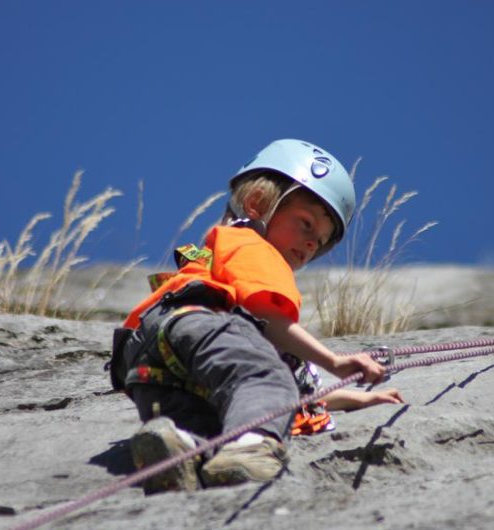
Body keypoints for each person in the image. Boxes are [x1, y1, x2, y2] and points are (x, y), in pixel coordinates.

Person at [110, 139, 404, 494]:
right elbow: (268, 322)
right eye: (306, 224)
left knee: (218, 419)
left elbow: (281, 390)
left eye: (321, 241)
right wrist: (335, 362)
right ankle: (250, 449)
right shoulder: (253, 246)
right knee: (267, 377)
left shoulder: (222, 253)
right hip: (198, 324)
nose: (312, 244)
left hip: (152, 364)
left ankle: (176, 449)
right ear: (257, 204)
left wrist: (355, 398)